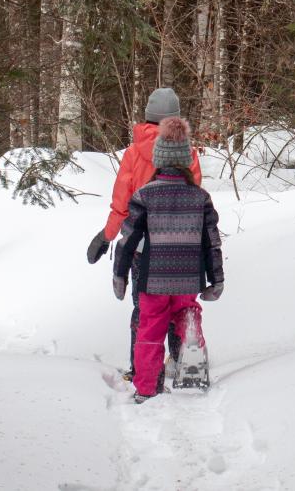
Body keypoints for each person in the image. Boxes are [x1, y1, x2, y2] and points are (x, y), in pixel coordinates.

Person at [86, 87, 202, 381]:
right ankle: (180, 360)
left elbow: (122, 204)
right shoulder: (188, 153)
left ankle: (141, 369)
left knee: (145, 307)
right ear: (176, 118)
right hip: (181, 248)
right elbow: (195, 199)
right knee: (181, 305)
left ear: (147, 116)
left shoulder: (133, 153)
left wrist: (107, 235)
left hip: (142, 251)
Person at [112, 116, 224, 403]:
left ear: (159, 160)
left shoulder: (144, 195)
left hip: (153, 278)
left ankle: (147, 389)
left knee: (150, 327)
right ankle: (193, 376)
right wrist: (216, 279)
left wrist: (120, 274)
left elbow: (128, 240)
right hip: (188, 278)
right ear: (187, 161)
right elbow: (211, 242)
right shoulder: (200, 197)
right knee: (188, 318)